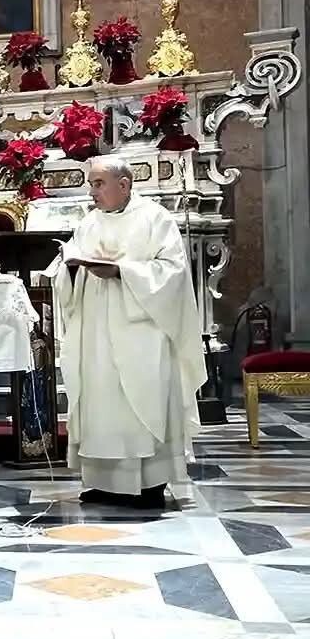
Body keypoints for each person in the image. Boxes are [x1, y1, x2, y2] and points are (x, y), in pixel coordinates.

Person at [52, 156, 205, 508]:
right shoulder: (88, 224)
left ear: (124, 185)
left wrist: (122, 272)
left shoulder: (155, 219)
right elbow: (68, 271)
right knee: (99, 402)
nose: (92, 192)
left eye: (99, 183)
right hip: (95, 333)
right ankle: (103, 483)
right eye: (90, 184)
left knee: (139, 401)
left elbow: (172, 272)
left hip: (141, 332)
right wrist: (72, 270)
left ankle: (148, 484)